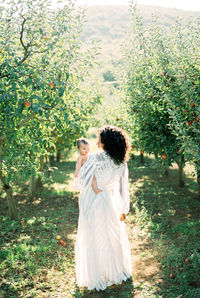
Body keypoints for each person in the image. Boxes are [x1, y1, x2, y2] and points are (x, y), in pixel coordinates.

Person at [74, 125, 132, 291]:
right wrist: (123, 209)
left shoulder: (94, 158)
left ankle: (96, 274)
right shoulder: (121, 162)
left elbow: (80, 184)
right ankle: (113, 271)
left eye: (99, 137)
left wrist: (78, 167)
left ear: (105, 141)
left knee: (93, 236)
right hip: (110, 200)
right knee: (110, 235)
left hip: (93, 200)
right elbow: (123, 188)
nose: (97, 140)